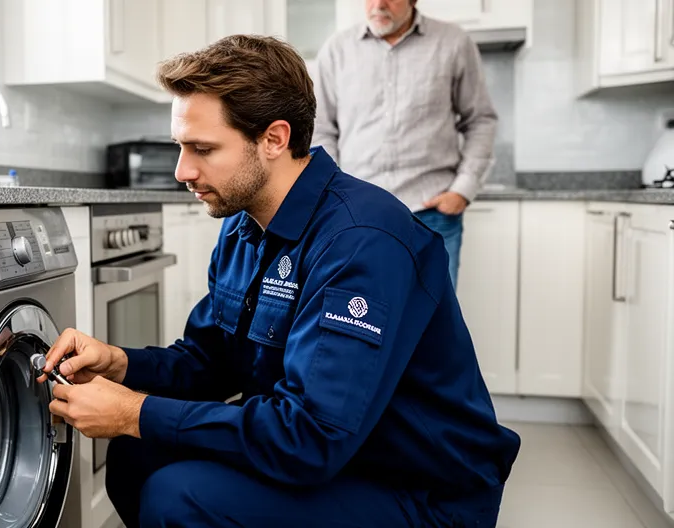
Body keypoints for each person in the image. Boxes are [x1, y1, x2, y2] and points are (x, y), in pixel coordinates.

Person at [38, 35, 519, 527]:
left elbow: (311, 437)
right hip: (339, 455)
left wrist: (134, 412)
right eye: (180, 147)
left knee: (177, 496)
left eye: (202, 148)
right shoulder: (244, 225)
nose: (183, 170)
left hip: (417, 489)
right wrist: (119, 365)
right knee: (136, 453)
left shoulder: (361, 243)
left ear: (274, 139)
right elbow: (210, 362)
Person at [311, 0, 499, 288]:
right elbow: (321, 129)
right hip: (358, 216)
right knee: (363, 319)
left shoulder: (454, 44)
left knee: (433, 323)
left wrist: (463, 189)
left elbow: (480, 120)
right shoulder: (336, 51)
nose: (379, 5)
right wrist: (336, 193)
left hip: (431, 215)